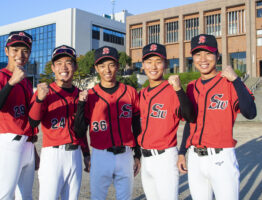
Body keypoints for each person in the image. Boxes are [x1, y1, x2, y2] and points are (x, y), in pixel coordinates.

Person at [177, 34, 257, 200]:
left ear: (218, 56)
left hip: (221, 157)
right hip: (195, 158)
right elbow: (190, 123)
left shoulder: (229, 83)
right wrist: (182, 152)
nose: (203, 59)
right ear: (193, 58)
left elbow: (250, 112)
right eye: (198, 54)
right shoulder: (192, 86)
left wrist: (236, 80)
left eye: (208, 53)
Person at [74, 46, 141, 200]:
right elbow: (79, 130)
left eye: (111, 64)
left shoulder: (130, 91)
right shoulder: (90, 95)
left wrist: (137, 155)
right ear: (96, 68)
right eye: (102, 65)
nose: (107, 70)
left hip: (125, 154)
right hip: (100, 155)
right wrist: (86, 154)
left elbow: (137, 126)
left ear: (117, 66)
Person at [28, 45, 90, 200]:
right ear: (53, 68)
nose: (64, 67)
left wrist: (86, 154)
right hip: (52, 155)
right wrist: (39, 99)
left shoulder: (80, 95)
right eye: (59, 63)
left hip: (75, 154)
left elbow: (81, 130)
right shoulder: (45, 92)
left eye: (68, 62)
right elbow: (33, 122)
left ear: (75, 67)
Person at [137, 43, 195, 200]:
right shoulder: (141, 94)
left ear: (166, 64)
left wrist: (178, 89)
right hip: (145, 157)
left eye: (158, 61)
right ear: (142, 65)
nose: (153, 66)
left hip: (165, 157)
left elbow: (190, 117)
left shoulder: (172, 91)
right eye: (149, 62)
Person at [0, 31, 39, 200]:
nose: (20, 55)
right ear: (6, 51)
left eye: (25, 50)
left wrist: (33, 149)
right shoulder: (0, 78)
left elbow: (28, 119)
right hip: (10, 143)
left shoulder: (26, 81)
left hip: (28, 144)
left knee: (26, 196)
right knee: (3, 196)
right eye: (15, 49)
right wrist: (10, 83)